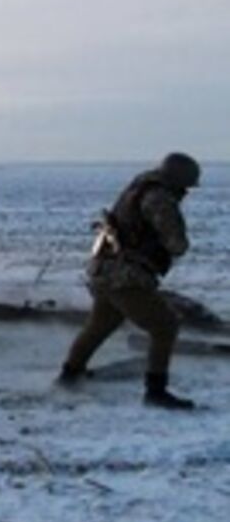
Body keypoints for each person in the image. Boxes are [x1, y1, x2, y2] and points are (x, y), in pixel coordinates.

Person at [59, 153, 201, 409]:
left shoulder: (138, 188)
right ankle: (156, 392)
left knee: (99, 326)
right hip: (126, 276)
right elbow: (177, 244)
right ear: (177, 181)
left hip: (105, 270)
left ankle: (69, 377)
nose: (186, 193)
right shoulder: (160, 198)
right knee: (165, 326)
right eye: (186, 187)